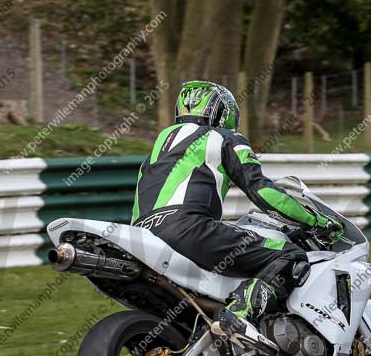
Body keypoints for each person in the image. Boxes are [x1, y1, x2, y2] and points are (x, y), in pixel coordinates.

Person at [131, 81, 343, 337]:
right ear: (222, 111)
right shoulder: (224, 137)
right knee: (288, 255)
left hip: (142, 238)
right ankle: (239, 314)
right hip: (190, 231)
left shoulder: (155, 154)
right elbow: (264, 193)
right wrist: (314, 220)